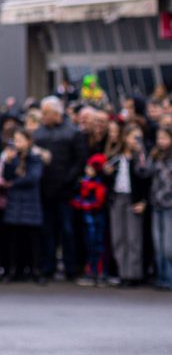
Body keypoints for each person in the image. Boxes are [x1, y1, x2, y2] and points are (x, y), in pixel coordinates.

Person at [32, 96, 87, 280]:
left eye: (46, 113)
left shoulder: (72, 132)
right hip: (46, 190)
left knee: (67, 229)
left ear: (56, 113)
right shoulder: (39, 133)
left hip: (65, 190)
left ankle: (71, 267)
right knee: (47, 230)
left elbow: (79, 161)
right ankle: (48, 266)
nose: (43, 116)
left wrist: (67, 180)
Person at [103, 122, 149, 286]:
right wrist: (107, 173)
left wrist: (143, 201)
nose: (135, 140)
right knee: (118, 237)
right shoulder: (117, 156)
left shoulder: (142, 157)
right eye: (132, 136)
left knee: (133, 238)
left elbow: (145, 178)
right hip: (117, 198)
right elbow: (107, 179)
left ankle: (133, 274)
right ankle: (122, 272)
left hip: (133, 199)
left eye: (138, 137)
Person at [0, 127, 44, 282]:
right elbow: (5, 177)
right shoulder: (13, 158)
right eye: (15, 140)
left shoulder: (35, 157)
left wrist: (14, 183)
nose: (16, 144)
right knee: (14, 239)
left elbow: (33, 177)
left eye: (19, 140)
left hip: (30, 202)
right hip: (15, 203)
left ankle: (34, 269)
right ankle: (14, 269)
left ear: (28, 141)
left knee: (32, 239)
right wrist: (9, 162)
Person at [141, 126, 172, 290]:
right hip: (156, 204)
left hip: (169, 206)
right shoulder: (155, 155)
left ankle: (170, 277)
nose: (161, 142)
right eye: (159, 138)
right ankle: (162, 277)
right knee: (158, 243)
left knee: (168, 245)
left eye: (165, 138)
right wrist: (141, 153)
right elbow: (144, 172)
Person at [72, 153, 109, 286]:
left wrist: (86, 198)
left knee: (98, 245)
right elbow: (77, 200)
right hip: (87, 218)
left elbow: (98, 202)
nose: (87, 170)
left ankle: (99, 273)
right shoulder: (84, 182)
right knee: (89, 245)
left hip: (96, 217)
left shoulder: (98, 185)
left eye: (90, 168)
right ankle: (90, 272)